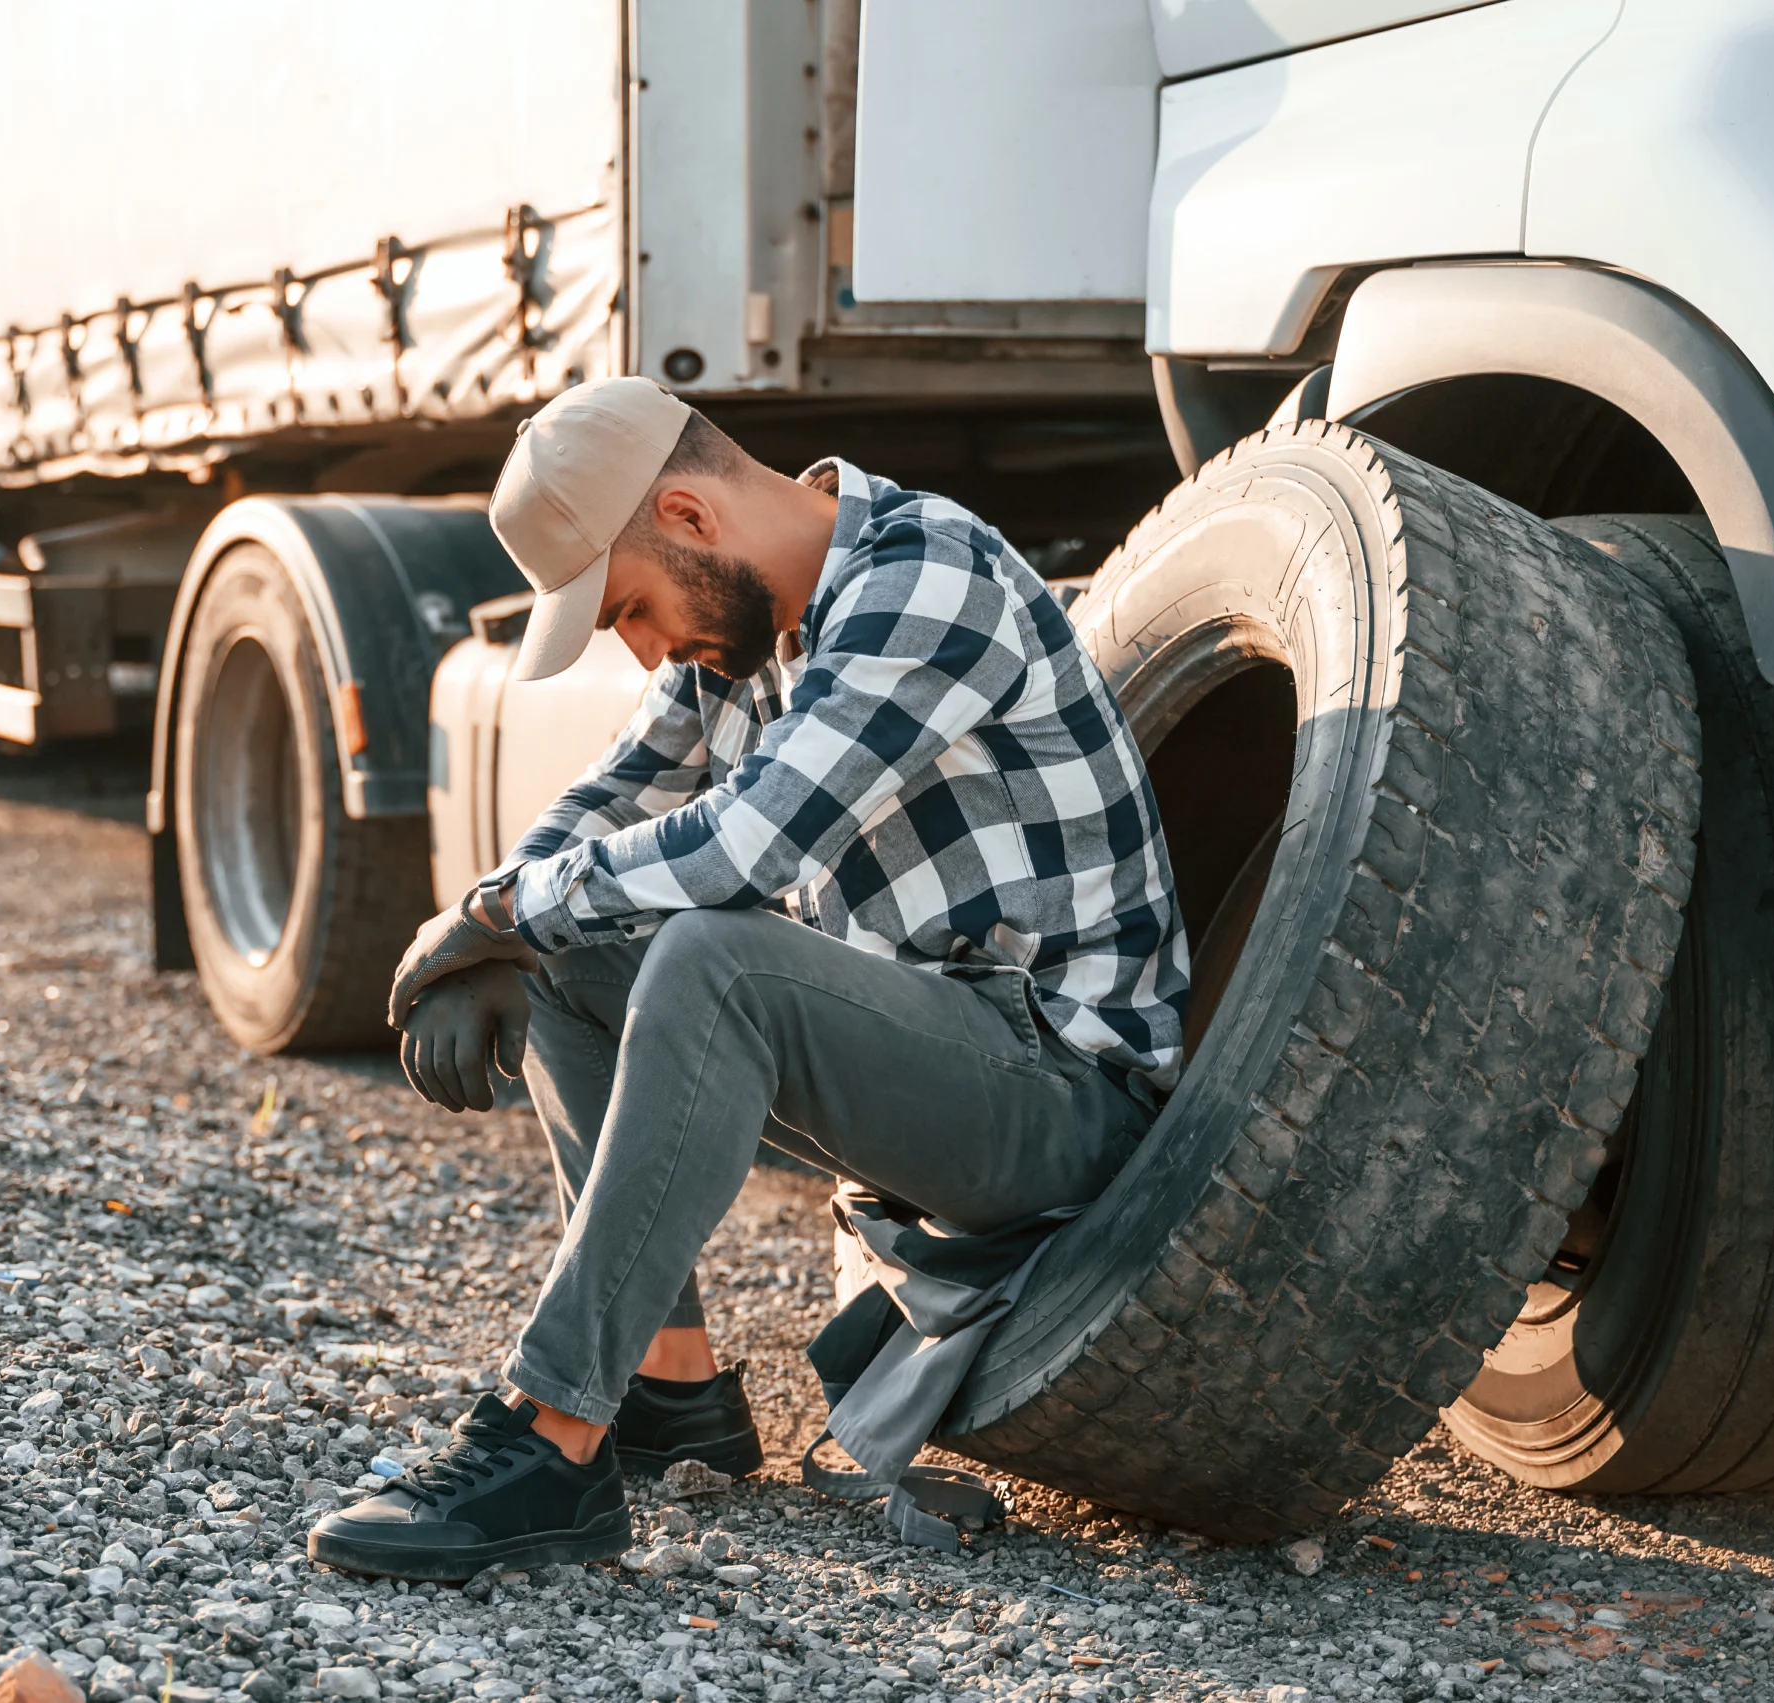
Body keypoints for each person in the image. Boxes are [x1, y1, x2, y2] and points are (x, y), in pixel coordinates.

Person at [306, 377, 1186, 1581]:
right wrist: (499, 927)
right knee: (581, 954)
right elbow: (609, 802)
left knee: (714, 954)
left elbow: (746, 847)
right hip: (941, 1068)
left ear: (686, 513)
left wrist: (494, 912)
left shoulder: (926, 575)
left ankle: (551, 1441)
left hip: (1063, 1094)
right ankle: (667, 1387)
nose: (642, 648)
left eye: (628, 610)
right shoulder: (746, 625)